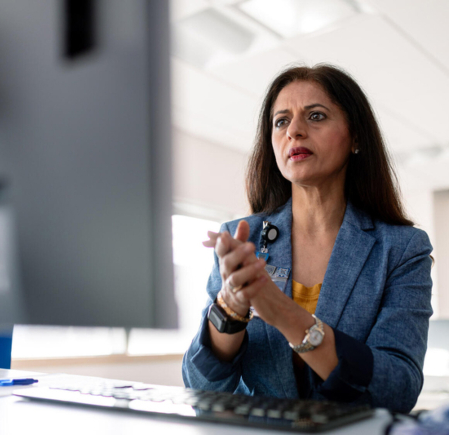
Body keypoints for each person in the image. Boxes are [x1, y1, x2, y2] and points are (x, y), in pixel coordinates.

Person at [182, 64, 433, 413]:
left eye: (316, 116)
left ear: (356, 136)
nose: (295, 131)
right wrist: (230, 309)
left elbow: (398, 389)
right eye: (281, 121)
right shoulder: (241, 239)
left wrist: (286, 314)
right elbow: (202, 386)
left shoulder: (403, 249)